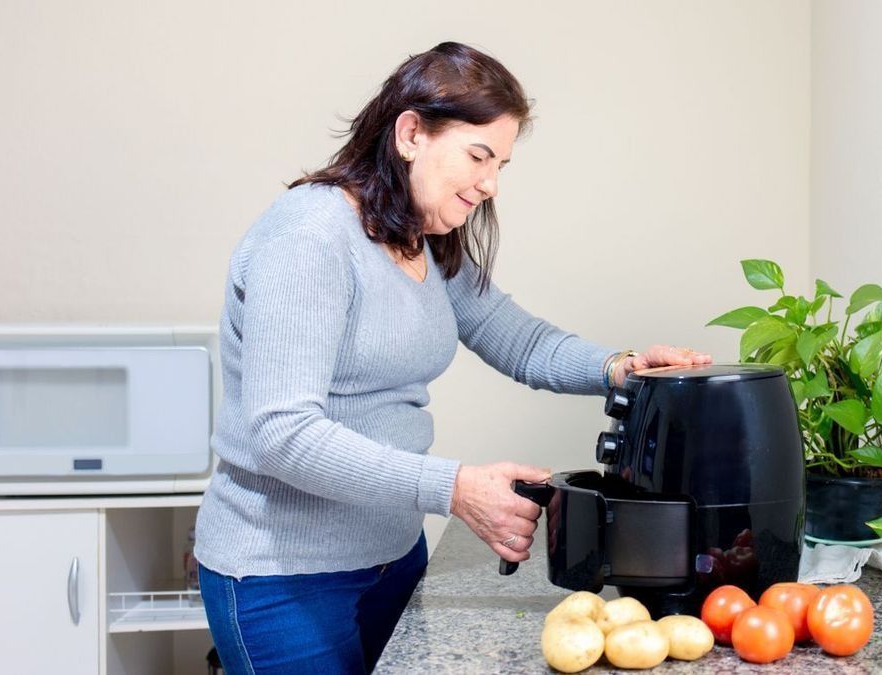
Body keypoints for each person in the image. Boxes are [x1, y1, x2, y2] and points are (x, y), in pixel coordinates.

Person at [194, 41, 711, 675]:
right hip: (283, 579)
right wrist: (455, 488)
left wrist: (622, 367)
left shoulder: (423, 237)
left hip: (392, 555)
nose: (490, 183)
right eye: (478, 155)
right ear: (410, 133)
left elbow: (519, 340)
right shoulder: (308, 238)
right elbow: (281, 434)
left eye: (501, 163)